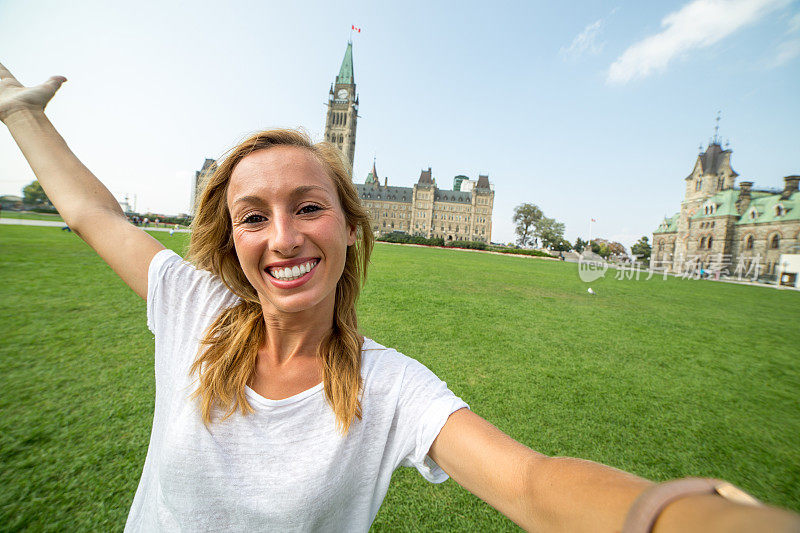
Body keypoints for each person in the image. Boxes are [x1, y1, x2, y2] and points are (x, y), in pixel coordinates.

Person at [1, 63, 798, 533]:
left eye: (309, 205)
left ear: (352, 225)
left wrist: (686, 517)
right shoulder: (194, 308)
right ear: (231, 237)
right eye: (254, 214)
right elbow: (93, 212)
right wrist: (21, 116)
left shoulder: (387, 389)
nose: (282, 236)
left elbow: (529, 481)